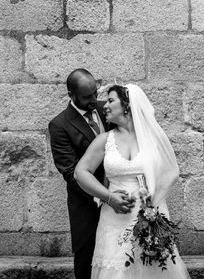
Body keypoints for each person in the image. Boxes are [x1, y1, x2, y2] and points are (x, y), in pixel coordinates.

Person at [75, 84, 190, 279]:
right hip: (114, 217)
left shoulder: (152, 139)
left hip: (150, 216)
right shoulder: (104, 140)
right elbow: (81, 172)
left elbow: (171, 172)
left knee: (153, 267)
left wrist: (153, 204)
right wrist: (109, 197)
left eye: (111, 100)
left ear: (127, 105)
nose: (105, 106)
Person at [48, 69, 135, 279]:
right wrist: (102, 196)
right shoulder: (59, 125)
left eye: (95, 93)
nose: (94, 100)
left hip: (121, 202)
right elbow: (70, 171)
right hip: (87, 206)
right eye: (87, 97)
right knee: (87, 260)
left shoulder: (106, 109)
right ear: (71, 94)